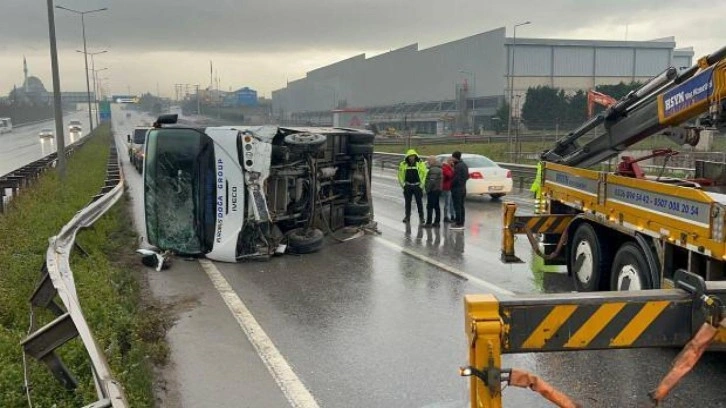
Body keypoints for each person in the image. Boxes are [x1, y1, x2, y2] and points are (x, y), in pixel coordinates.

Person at [397, 149, 427, 223]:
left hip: (417, 186)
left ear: (415, 156)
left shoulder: (420, 164)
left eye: (413, 156)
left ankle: (422, 217)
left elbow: (424, 175)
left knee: (419, 202)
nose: (411, 158)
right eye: (410, 156)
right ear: (407, 157)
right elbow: (400, 175)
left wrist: (421, 186)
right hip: (407, 186)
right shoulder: (403, 164)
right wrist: (403, 185)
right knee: (407, 203)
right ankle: (407, 217)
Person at [449, 151, 469, 230]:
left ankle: (458, 223)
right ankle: (462, 221)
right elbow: (467, 176)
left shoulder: (458, 167)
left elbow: (455, 179)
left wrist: (451, 184)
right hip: (463, 188)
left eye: (452, 157)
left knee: (457, 206)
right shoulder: (464, 165)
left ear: (454, 157)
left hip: (457, 189)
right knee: (461, 205)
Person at [423, 156, 442, 228]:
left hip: (433, 190)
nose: (428, 163)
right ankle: (437, 222)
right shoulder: (439, 168)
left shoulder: (433, 170)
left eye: (429, 161)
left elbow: (432, 181)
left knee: (430, 207)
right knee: (437, 206)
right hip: (438, 189)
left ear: (433, 161)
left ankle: (429, 223)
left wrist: (427, 189)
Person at [441, 157, 455, 222]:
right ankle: (445, 217)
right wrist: (451, 169)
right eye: (451, 161)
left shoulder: (449, 168)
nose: (452, 162)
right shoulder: (445, 167)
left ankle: (452, 215)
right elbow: (449, 175)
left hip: (450, 187)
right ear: (448, 161)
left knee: (451, 203)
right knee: (447, 203)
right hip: (446, 187)